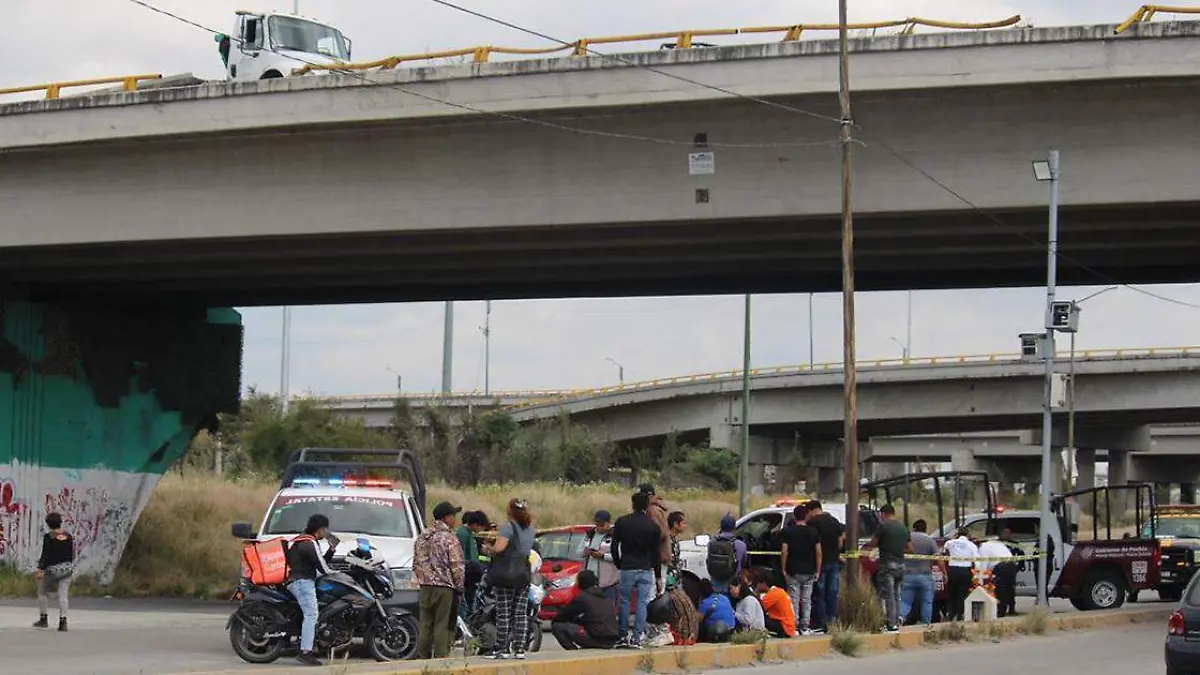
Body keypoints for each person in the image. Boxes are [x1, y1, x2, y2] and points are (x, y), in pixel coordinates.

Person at [487, 499, 537, 660]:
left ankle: (502, 648)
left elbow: (500, 548)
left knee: (504, 613)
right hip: (523, 574)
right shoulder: (530, 529)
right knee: (520, 613)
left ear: (511, 511)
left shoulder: (509, 528)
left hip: (506, 575)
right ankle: (520, 648)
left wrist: (489, 548)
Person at [415, 501, 466, 660]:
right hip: (444, 587)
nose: (455, 519)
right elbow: (457, 566)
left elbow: (416, 562)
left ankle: (422, 658)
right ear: (446, 517)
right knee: (441, 624)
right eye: (453, 516)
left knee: (425, 624)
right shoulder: (450, 539)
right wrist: (459, 586)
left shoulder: (423, 536)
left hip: (425, 586)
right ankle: (440, 658)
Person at [611, 492, 662, 648]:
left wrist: (619, 562)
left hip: (628, 565)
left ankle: (622, 635)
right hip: (645, 567)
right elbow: (656, 553)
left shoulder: (622, 522)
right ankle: (637, 637)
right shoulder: (653, 526)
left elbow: (614, 546)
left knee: (625, 601)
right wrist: (658, 575)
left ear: (632, 504)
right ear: (647, 505)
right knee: (642, 602)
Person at [286, 514, 338, 666]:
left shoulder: (303, 539)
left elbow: (318, 562)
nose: (326, 532)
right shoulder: (309, 543)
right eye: (325, 529)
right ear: (320, 529)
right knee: (311, 613)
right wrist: (339, 573)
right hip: (302, 581)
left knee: (311, 612)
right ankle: (305, 652)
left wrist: (331, 550)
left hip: (300, 579)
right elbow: (323, 567)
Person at [550, 570, 620, 650]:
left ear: (580, 583)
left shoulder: (583, 598)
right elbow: (593, 618)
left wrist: (567, 618)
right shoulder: (605, 597)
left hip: (597, 639)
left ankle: (573, 651)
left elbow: (562, 616)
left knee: (557, 626)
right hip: (611, 640)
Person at [779, 505, 821, 635]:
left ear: (794, 516)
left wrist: (783, 568)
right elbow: (819, 552)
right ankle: (805, 626)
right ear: (806, 515)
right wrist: (818, 570)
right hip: (809, 570)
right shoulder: (813, 532)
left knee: (794, 599)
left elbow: (784, 552)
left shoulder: (788, 532)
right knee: (807, 599)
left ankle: (794, 625)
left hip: (793, 570)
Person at [869, 504, 911, 633]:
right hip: (901, 565)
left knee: (889, 596)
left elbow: (873, 543)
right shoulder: (903, 528)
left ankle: (891, 624)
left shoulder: (883, 527)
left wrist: (885, 546)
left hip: (887, 564)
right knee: (897, 595)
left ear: (884, 514)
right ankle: (897, 621)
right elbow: (910, 548)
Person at [805, 500, 844, 632]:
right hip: (834, 561)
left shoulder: (813, 523)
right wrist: (836, 552)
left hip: (820, 563)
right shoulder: (834, 521)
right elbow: (840, 541)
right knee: (832, 592)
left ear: (811, 510)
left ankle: (821, 623)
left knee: (819, 593)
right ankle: (832, 620)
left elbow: (814, 545)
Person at [33, 512, 74, 632]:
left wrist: (40, 569)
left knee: (41, 591)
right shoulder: (68, 536)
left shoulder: (49, 537)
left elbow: (45, 555)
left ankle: (43, 618)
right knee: (63, 595)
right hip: (66, 569)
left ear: (48, 524)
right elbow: (71, 554)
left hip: (52, 570)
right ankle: (63, 621)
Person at [899, 519, 938, 626]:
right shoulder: (930, 540)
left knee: (905, 601)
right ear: (925, 528)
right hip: (925, 575)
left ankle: (900, 617)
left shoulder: (907, 539)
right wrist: (943, 572)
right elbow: (938, 558)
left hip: (907, 574)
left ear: (914, 527)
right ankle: (926, 623)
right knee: (927, 601)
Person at [584, 510, 620, 609]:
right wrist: (586, 551)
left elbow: (619, 556)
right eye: (597, 525)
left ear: (608, 523)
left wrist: (603, 556)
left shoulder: (616, 534)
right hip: (592, 579)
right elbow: (579, 551)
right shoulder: (590, 534)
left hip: (609, 580)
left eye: (602, 525)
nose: (599, 528)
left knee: (608, 607)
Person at [640, 484, 672, 594]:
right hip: (662, 554)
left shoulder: (652, 510)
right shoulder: (656, 508)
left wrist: (647, 544)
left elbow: (659, 532)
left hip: (658, 556)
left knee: (652, 593)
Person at [979, 529, 1017, 618]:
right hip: (1011, 565)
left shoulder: (983, 547)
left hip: (1001, 567)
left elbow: (983, 565)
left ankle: (999, 612)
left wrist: (982, 580)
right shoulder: (999, 544)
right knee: (1009, 589)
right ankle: (1007, 609)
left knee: (1000, 590)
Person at [944, 528, 979, 622]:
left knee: (952, 593)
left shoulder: (950, 542)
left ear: (957, 534)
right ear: (968, 535)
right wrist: (977, 574)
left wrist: (954, 538)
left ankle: (951, 614)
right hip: (965, 571)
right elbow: (977, 561)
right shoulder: (972, 545)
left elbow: (945, 547)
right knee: (963, 593)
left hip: (953, 570)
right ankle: (961, 614)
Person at [456, 511, 487, 619]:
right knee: (466, 603)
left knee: (471, 600)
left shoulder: (470, 533)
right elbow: (461, 555)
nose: (481, 530)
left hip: (472, 573)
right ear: (475, 524)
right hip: (466, 573)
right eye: (481, 527)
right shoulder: (462, 533)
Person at [709, 515, 748, 593]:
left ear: (721, 526)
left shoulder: (711, 543)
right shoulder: (740, 545)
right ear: (734, 528)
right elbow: (744, 563)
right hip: (732, 587)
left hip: (714, 586)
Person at [752, 570, 797, 638]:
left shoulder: (772, 594)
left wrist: (756, 592)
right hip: (789, 626)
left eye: (758, 584)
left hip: (784, 627)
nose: (757, 586)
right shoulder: (779, 591)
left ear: (764, 583)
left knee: (757, 617)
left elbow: (758, 609)